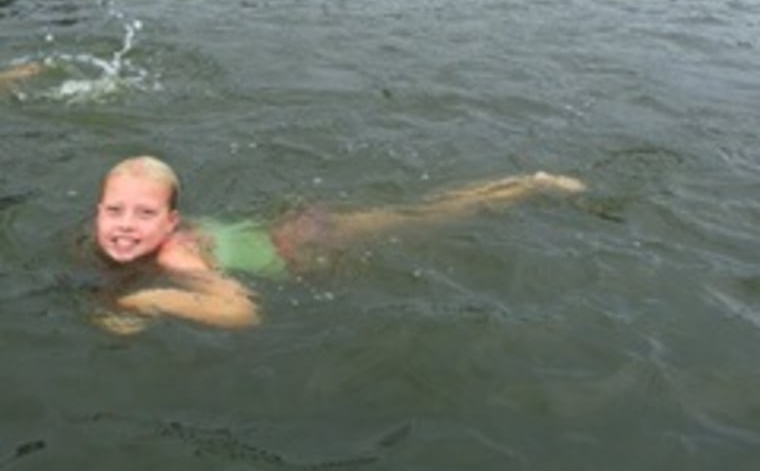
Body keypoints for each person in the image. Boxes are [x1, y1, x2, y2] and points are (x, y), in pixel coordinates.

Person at [92, 156, 585, 332]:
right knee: (408, 214)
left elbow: (242, 312)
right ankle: (525, 183)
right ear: (97, 211)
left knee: (420, 218)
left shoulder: (178, 257)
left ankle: (528, 184)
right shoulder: (128, 238)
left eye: (144, 214)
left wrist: (148, 298)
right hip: (275, 228)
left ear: (171, 222)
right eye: (114, 211)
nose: (125, 225)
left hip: (300, 246)